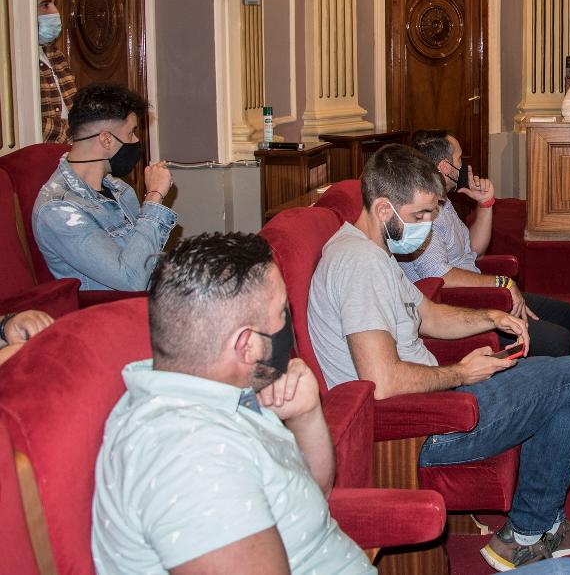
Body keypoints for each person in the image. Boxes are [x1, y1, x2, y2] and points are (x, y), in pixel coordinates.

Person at [307, 145, 570, 571]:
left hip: (436, 405)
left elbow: (426, 314)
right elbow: (382, 382)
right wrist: (461, 372)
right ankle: (527, 534)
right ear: (384, 207)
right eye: (420, 215)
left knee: (552, 373)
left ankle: (539, 527)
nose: (426, 228)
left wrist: (488, 314)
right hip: (423, 428)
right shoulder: (358, 266)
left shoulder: (372, 251)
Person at [92, 233, 374, 574]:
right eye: (283, 313)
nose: (290, 322)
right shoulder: (190, 458)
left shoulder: (218, 389)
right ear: (247, 346)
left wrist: (307, 416)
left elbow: (309, 497)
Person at [407, 129, 570, 357]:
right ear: (445, 167)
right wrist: (502, 283)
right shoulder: (423, 212)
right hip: (459, 305)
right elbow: (441, 277)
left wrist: (485, 205)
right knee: (558, 341)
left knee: (567, 314)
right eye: (459, 159)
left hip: (480, 292)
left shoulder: (443, 201)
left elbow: (473, 251)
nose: (464, 166)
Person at [33, 83, 176, 290]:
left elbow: (147, 259)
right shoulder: (59, 209)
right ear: (107, 140)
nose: (136, 141)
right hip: (112, 314)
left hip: (155, 300)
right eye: (131, 133)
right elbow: (132, 280)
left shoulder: (119, 189)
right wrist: (154, 196)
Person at [37, 0, 77, 143]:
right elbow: (26, 123)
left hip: (68, 157)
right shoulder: (12, 63)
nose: (54, 11)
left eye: (54, 3)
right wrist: (78, 133)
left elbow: (75, 109)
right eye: (45, 5)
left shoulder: (55, 54)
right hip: (36, 160)